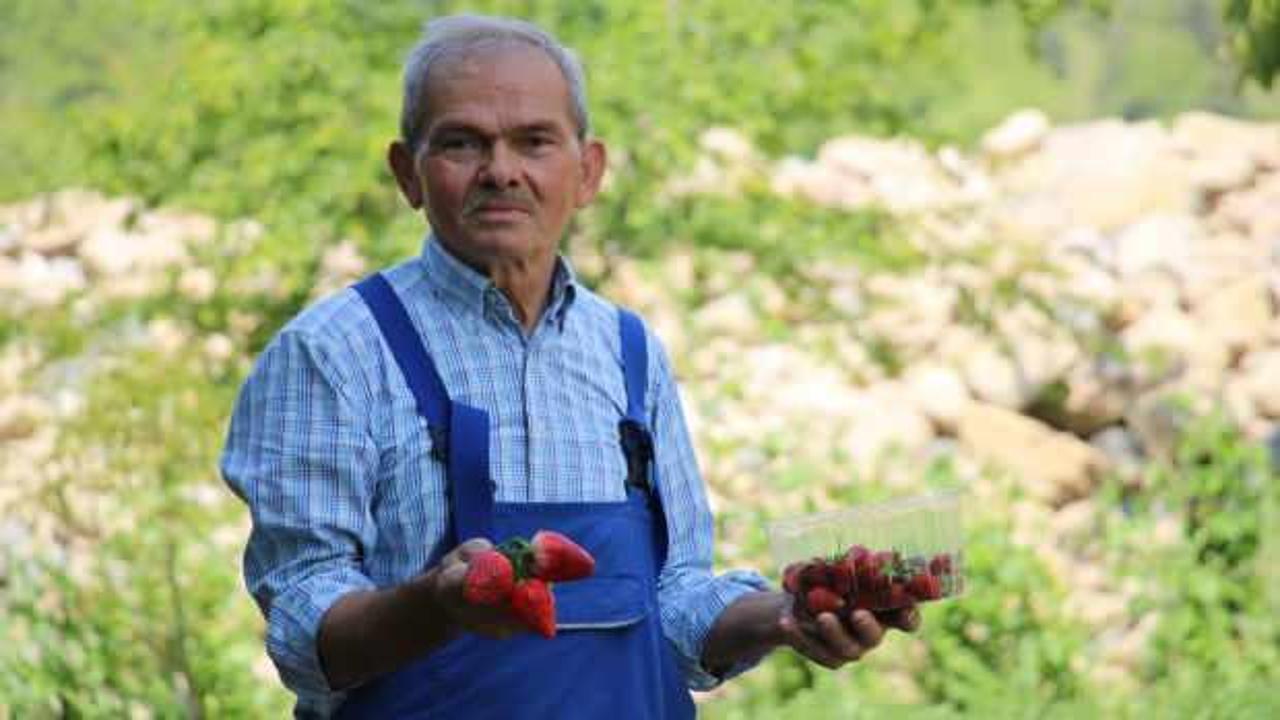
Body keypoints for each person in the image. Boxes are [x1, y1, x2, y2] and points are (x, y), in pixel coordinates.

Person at [221, 14, 920, 719]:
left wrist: (784, 616)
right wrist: (437, 604)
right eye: (462, 143)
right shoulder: (332, 353)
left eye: (534, 141)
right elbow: (306, 636)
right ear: (408, 173)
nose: (502, 171)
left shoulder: (629, 352)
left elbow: (674, 603)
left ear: (587, 172)